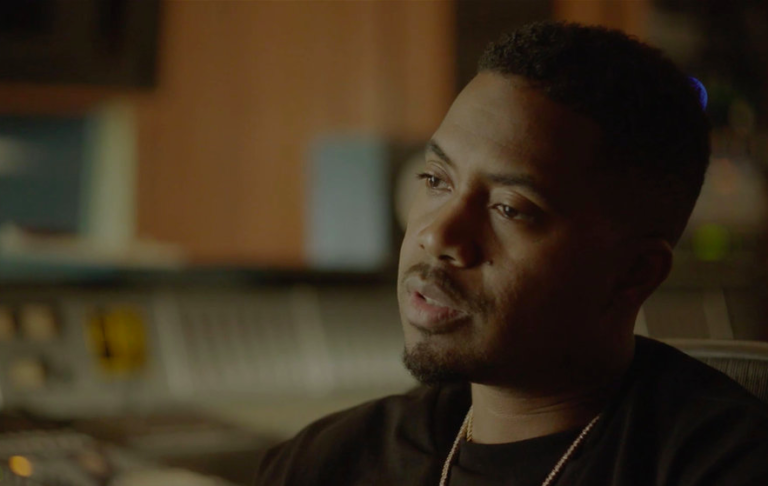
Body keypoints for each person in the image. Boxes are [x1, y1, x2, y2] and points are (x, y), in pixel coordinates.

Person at [253, 21, 768, 486]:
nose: (438, 235)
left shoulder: (724, 465)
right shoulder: (331, 460)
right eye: (436, 180)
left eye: (509, 209)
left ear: (634, 272)